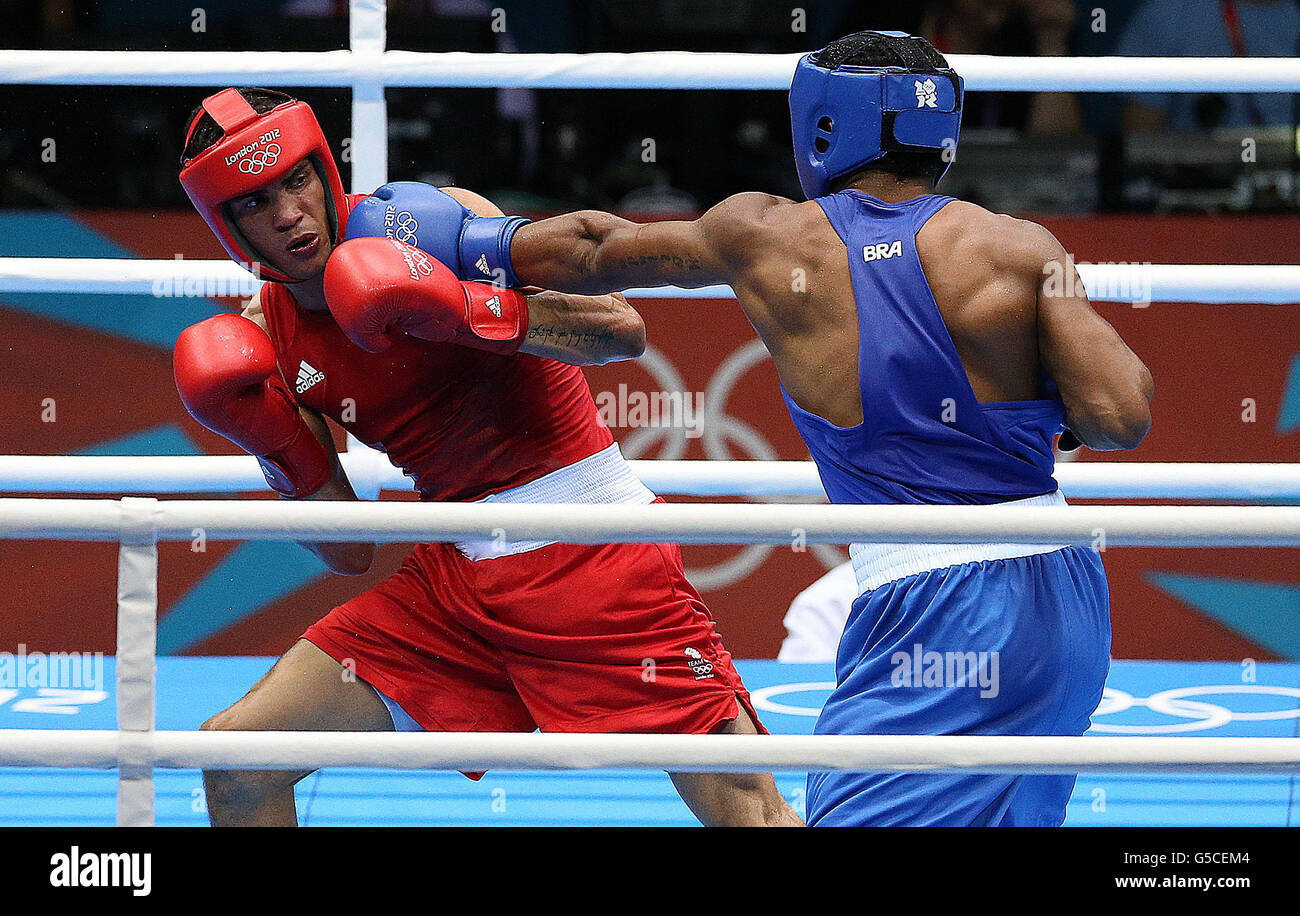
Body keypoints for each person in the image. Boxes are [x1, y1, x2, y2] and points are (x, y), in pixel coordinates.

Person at [364, 30, 1153, 826]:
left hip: (936, 603)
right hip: (1069, 598)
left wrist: (466, 244)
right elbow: (1120, 418)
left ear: (821, 126)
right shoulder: (1019, 246)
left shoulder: (769, 235)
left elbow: (599, 249)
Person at [172, 86, 801, 827]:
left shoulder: (422, 226)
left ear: (322, 169)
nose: (287, 214)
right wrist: (270, 442)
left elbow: (620, 330)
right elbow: (346, 547)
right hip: (454, 584)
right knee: (238, 762)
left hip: (595, 557)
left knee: (750, 816)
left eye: (295, 181)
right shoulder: (265, 342)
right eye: (253, 203)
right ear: (225, 225)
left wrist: (466, 309)